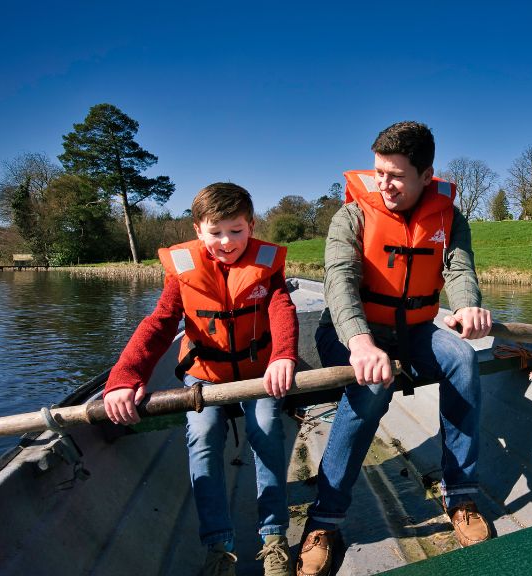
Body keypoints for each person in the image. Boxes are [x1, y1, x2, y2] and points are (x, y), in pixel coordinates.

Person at [298, 121, 492, 576]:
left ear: (426, 175)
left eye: (396, 175)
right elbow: (340, 282)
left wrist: (467, 307)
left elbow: (460, 271)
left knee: (463, 358)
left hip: (415, 329)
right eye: (378, 171)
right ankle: (325, 519)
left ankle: (460, 495)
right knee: (371, 386)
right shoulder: (352, 215)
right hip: (350, 331)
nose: (383, 184)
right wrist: (362, 343)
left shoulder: (449, 218)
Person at [103, 183, 299, 576]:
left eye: (237, 230)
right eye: (216, 232)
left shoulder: (267, 265)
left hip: (259, 374)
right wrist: (126, 375)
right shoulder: (183, 272)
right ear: (198, 230)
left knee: (265, 431)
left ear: (252, 225)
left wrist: (283, 356)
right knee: (204, 439)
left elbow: (281, 309)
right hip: (204, 378)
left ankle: (274, 539)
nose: (227, 242)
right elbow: (159, 325)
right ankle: (219, 548)